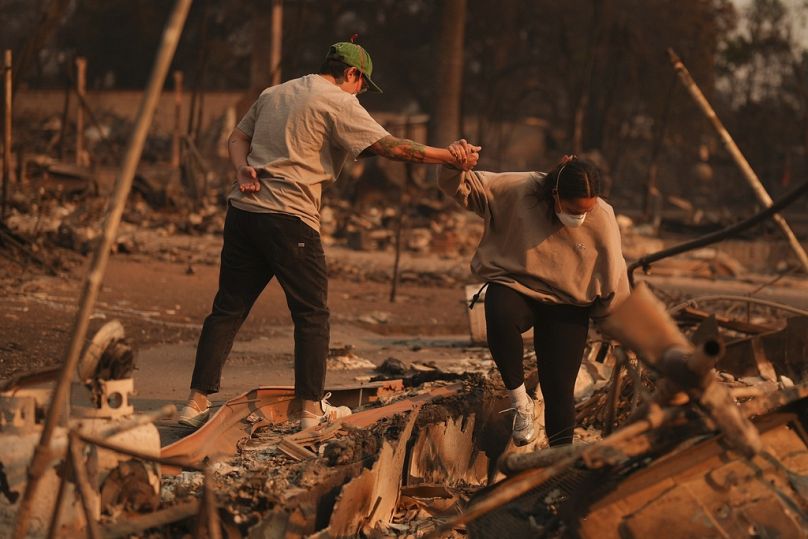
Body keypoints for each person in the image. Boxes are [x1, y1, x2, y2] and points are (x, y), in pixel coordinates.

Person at [178, 40, 477, 430]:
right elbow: (391, 147)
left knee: (228, 309)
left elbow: (237, 138)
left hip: (244, 212)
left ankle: (195, 402)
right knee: (312, 315)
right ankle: (309, 410)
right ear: (352, 74)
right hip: (290, 218)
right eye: (362, 86)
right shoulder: (338, 101)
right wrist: (450, 156)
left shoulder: (277, 93)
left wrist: (242, 170)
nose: (360, 95)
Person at [439, 147, 629, 446]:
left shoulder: (602, 217)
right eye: (574, 209)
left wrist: (618, 327)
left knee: (559, 391)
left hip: (569, 303)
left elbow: (614, 276)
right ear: (555, 194)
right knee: (499, 309)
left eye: (586, 211)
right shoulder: (520, 190)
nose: (580, 216)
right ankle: (520, 404)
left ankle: (557, 466)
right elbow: (466, 187)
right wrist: (453, 163)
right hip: (518, 288)